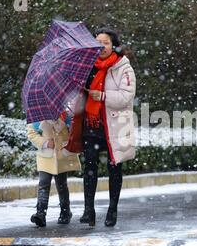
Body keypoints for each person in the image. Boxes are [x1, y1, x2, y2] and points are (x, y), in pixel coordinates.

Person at [80, 27, 136, 227]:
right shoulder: (88, 67)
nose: (101, 46)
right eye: (98, 43)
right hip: (92, 123)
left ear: (113, 46)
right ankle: (89, 211)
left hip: (115, 125)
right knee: (89, 167)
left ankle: (112, 210)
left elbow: (126, 96)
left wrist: (103, 96)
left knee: (114, 167)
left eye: (105, 43)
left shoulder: (123, 67)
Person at [26, 112, 81, 227]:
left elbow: (73, 131)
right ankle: (40, 214)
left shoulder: (65, 114)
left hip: (61, 155)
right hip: (45, 154)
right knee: (43, 183)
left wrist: (63, 123)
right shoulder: (37, 115)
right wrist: (45, 143)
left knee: (61, 185)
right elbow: (31, 133)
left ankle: (65, 212)